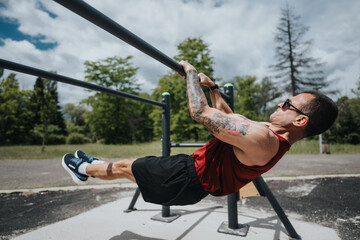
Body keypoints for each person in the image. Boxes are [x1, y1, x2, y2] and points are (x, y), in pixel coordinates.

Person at [62, 61, 338, 206]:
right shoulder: (270, 134)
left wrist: (191, 74)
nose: (280, 103)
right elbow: (231, 118)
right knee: (127, 168)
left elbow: (201, 114)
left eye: (287, 104)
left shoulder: (266, 142)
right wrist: (213, 88)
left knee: (125, 167)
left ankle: (84, 169)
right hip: (190, 174)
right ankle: (93, 165)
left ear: (300, 120)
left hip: (185, 178)